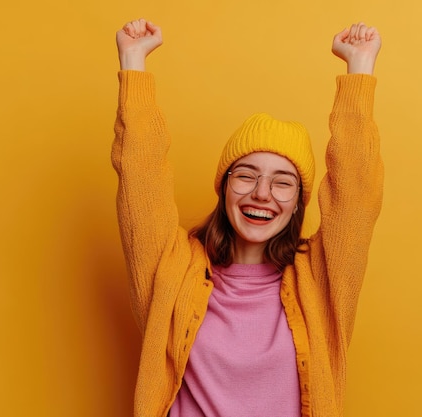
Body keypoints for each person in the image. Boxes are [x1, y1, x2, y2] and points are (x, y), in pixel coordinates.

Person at [112, 18, 383, 417]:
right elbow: (140, 178)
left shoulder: (321, 282)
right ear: (223, 188)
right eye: (246, 175)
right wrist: (133, 63)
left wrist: (358, 72)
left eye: (282, 182)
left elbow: (356, 196)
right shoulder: (172, 270)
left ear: (298, 203)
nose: (261, 193)